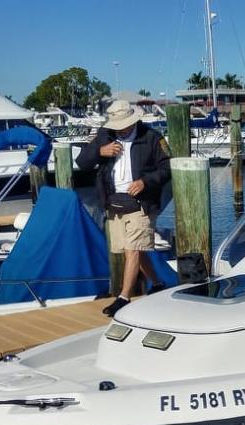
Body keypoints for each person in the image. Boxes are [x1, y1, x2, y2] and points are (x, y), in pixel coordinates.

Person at [77, 99, 171, 316]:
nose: (120, 130)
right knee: (133, 251)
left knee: (133, 249)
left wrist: (145, 182)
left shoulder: (151, 137)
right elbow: (82, 162)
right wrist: (100, 151)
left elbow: (167, 167)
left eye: (124, 125)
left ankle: (123, 297)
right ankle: (157, 284)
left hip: (142, 203)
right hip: (114, 203)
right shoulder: (105, 136)